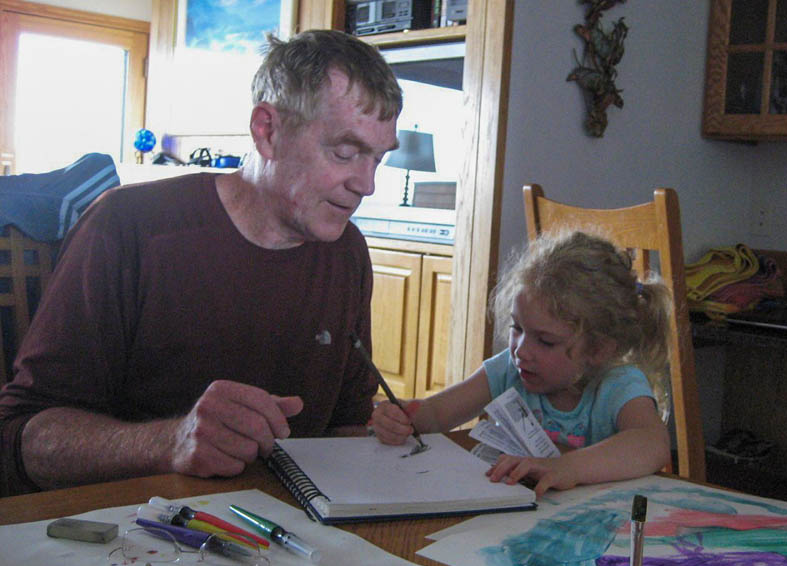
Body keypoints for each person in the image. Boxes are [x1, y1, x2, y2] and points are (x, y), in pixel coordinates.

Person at [0, 29, 403, 496]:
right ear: (267, 131)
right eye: (345, 152)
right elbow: (18, 440)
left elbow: (345, 425)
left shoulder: (347, 251)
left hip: (287, 540)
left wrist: (381, 435)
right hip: (134, 540)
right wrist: (169, 442)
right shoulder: (129, 226)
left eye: (377, 158)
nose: (367, 185)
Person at [370, 229, 673, 495]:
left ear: (599, 348)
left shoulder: (618, 383)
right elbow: (437, 414)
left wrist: (566, 467)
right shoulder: (511, 370)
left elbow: (652, 443)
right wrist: (401, 417)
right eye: (518, 328)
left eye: (545, 341)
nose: (521, 351)